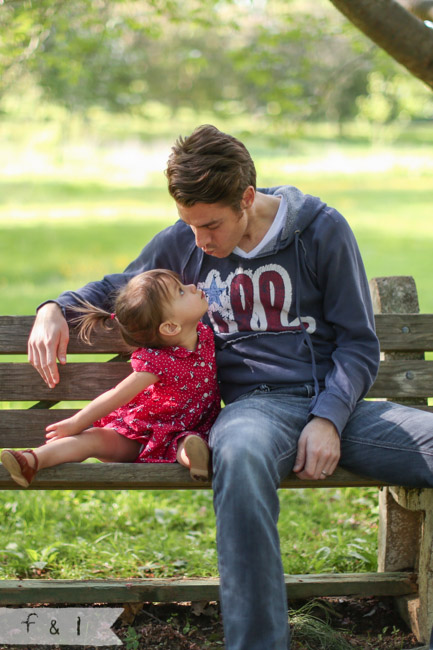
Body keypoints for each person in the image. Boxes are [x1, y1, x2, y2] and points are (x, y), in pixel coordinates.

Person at [27, 125, 433, 650]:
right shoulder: (187, 240)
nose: (199, 242)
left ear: (246, 197)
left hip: (341, 406)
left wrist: (327, 419)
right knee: (237, 454)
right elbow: (118, 288)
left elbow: (357, 343)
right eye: (188, 225)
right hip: (253, 412)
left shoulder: (321, 230)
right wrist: (52, 308)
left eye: (211, 225)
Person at [3, 269, 220, 488]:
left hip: (190, 430)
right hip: (141, 435)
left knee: (186, 442)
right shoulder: (158, 362)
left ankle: (195, 460)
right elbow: (117, 396)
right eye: (181, 292)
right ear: (170, 327)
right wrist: (75, 423)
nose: (192, 287)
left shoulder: (206, 335)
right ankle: (31, 460)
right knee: (94, 438)